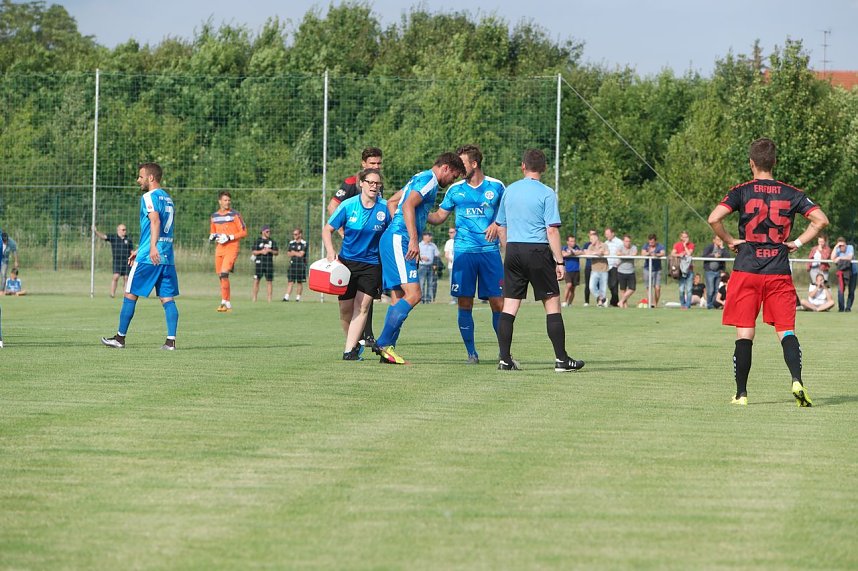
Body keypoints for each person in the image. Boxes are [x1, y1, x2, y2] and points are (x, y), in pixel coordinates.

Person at [708, 137, 828, 407]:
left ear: (751, 163)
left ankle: (741, 394)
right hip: (778, 270)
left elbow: (714, 218)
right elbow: (821, 220)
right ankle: (796, 380)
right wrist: (797, 243)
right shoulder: (791, 193)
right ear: (774, 162)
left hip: (746, 270)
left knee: (745, 333)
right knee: (786, 331)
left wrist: (729, 240)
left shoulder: (741, 191)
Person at [488, 148, 584, 372]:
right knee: (552, 304)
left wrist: (510, 251)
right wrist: (559, 262)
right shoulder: (547, 193)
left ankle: (505, 360)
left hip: (513, 250)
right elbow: (552, 230)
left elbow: (500, 227)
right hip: (538, 251)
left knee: (510, 306)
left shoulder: (509, 191)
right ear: (544, 168)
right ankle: (561, 360)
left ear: (523, 166)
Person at [372, 152, 465, 364]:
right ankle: (383, 342)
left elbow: (393, 202)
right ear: (446, 168)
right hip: (400, 240)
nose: (452, 181)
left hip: (396, 238)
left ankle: (388, 351)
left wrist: (401, 228)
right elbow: (407, 205)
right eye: (453, 176)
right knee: (414, 295)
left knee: (399, 296)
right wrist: (412, 239)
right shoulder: (429, 180)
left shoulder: (420, 178)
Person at [427, 144, 506, 363]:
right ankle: (471, 353)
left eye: (462, 163)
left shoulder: (496, 186)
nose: (458, 167)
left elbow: (509, 212)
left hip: (490, 252)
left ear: (474, 163)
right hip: (463, 253)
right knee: (464, 303)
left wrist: (497, 223)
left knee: (498, 303)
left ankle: (504, 352)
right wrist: (418, 211)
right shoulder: (455, 190)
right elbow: (439, 217)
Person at [101, 162, 179, 350]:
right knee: (167, 299)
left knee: (130, 294)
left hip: (149, 257)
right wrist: (141, 248)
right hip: (167, 256)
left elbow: (155, 221)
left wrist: (151, 248)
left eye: (141, 176)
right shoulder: (168, 198)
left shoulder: (149, 196)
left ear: (151, 178)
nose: (138, 180)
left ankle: (119, 339)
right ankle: (170, 342)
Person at [322, 168, 389, 360]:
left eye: (377, 183)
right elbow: (327, 230)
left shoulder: (385, 208)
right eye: (370, 182)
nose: (374, 186)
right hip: (346, 265)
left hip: (372, 265)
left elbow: (394, 233)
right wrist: (330, 251)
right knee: (345, 310)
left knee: (362, 307)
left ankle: (348, 351)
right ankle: (355, 343)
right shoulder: (348, 205)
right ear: (361, 183)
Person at [209, 191, 247, 312]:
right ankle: (226, 302)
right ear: (220, 201)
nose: (227, 202)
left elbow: (244, 232)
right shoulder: (214, 216)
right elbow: (213, 231)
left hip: (232, 247)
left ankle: (224, 302)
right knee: (221, 276)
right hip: (219, 248)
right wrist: (213, 236)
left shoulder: (235, 215)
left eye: (229, 200)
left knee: (224, 273)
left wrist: (230, 237)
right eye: (225, 200)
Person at [327, 147, 383, 215]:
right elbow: (332, 206)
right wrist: (341, 222)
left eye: (379, 163)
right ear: (363, 163)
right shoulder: (352, 182)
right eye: (372, 163)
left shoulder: (379, 184)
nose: (376, 166)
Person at [93, 223, 134, 298]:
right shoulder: (113, 237)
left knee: (126, 278)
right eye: (123, 230)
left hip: (126, 262)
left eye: (125, 230)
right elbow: (103, 237)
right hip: (117, 261)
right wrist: (95, 231)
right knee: (116, 276)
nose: (125, 231)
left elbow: (132, 251)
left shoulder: (128, 239)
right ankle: (112, 294)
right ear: (118, 230)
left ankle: (126, 295)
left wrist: (134, 258)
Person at [251, 225, 279, 302]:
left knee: (269, 281)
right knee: (256, 280)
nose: (269, 233)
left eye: (269, 231)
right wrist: (261, 252)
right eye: (267, 231)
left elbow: (276, 252)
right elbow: (254, 251)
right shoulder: (258, 241)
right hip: (259, 263)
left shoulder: (272, 241)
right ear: (263, 232)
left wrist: (270, 251)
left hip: (269, 263)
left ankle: (269, 299)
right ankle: (254, 298)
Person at [701, 235, 728, 309]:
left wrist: (722, 248)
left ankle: (713, 304)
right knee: (710, 289)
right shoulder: (709, 247)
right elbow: (704, 256)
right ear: (714, 240)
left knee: (716, 290)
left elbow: (727, 257)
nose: (719, 241)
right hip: (710, 271)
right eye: (717, 239)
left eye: (720, 239)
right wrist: (713, 256)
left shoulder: (722, 249)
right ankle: (709, 304)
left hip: (718, 271)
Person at [584, 230, 609, 307]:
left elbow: (607, 253)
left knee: (603, 289)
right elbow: (587, 253)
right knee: (591, 287)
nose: (590, 241)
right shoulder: (590, 246)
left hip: (604, 270)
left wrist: (597, 253)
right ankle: (602, 299)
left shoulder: (604, 245)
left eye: (591, 239)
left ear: (596, 238)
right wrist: (597, 253)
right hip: (594, 270)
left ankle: (601, 303)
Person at [671, 231, 695, 309]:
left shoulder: (691, 245)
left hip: (689, 270)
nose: (685, 239)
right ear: (681, 237)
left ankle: (687, 305)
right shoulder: (677, 245)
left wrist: (685, 246)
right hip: (680, 270)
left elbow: (689, 254)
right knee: (681, 289)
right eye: (684, 237)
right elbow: (672, 253)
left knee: (689, 289)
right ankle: (682, 304)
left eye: (686, 237)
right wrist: (679, 255)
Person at [283, 228, 308, 302]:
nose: (294, 236)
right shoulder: (291, 243)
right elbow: (288, 253)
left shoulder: (304, 243)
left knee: (299, 282)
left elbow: (301, 254)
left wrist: (293, 252)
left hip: (301, 265)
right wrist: (296, 253)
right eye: (293, 234)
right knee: (290, 281)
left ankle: (298, 298)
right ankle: (286, 297)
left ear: (300, 234)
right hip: (292, 264)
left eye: (296, 234)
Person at [640, 234, 666, 307]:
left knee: (657, 288)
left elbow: (663, 253)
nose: (651, 244)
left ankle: (655, 303)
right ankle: (650, 303)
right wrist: (649, 253)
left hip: (657, 270)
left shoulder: (660, 246)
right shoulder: (646, 245)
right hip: (647, 269)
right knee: (648, 287)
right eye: (650, 242)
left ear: (655, 241)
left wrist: (656, 254)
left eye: (652, 242)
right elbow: (642, 253)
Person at [830, 236, 853, 312]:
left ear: (845, 244)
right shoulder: (838, 249)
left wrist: (839, 258)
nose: (841, 247)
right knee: (840, 290)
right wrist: (836, 247)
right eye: (840, 246)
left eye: (843, 245)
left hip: (853, 272)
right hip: (841, 273)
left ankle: (848, 308)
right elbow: (832, 258)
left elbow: (850, 257)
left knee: (851, 290)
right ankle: (841, 308)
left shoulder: (850, 247)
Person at [417, 231, 440, 303]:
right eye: (429, 236)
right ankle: (421, 299)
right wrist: (421, 257)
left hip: (430, 266)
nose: (430, 237)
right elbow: (416, 254)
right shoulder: (419, 245)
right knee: (421, 283)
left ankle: (428, 299)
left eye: (431, 236)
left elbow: (437, 255)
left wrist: (435, 264)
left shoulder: (433, 245)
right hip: (422, 266)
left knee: (430, 283)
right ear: (424, 236)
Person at [603, 227, 623, 307]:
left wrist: (618, 262)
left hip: (615, 266)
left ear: (613, 233)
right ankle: (615, 301)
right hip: (607, 266)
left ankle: (614, 302)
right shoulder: (606, 243)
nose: (606, 236)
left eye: (608, 234)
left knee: (614, 284)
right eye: (606, 234)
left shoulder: (619, 242)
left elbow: (621, 252)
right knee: (610, 285)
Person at [561, 235, 582, 307]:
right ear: (568, 242)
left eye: (574, 241)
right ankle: (564, 301)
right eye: (571, 241)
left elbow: (581, 252)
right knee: (568, 285)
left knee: (573, 288)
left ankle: (569, 303)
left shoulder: (577, 247)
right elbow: (563, 254)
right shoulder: (564, 248)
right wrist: (570, 253)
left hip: (576, 270)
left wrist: (574, 252)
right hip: (568, 270)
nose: (573, 243)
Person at [617, 234, 637, 308]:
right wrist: (628, 255)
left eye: (629, 241)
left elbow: (634, 254)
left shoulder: (634, 247)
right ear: (623, 241)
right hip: (621, 271)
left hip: (631, 271)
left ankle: (621, 301)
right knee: (623, 289)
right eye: (626, 241)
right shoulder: (620, 247)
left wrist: (624, 255)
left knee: (632, 288)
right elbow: (618, 253)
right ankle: (625, 305)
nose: (628, 243)